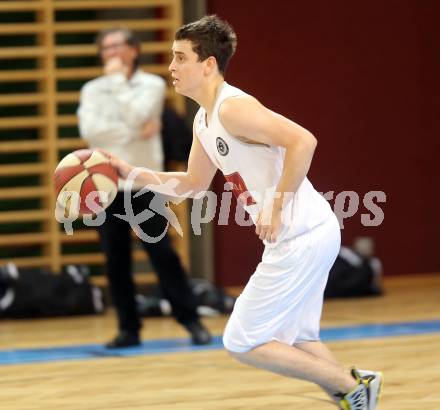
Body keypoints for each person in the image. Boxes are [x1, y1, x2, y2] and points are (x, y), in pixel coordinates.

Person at [104, 16, 383, 409]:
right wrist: (132, 173)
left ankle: (355, 384)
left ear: (208, 65)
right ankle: (358, 398)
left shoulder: (233, 108)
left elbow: (304, 141)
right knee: (299, 339)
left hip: (301, 233)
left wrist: (275, 204)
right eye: (172, 58)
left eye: (180, 58)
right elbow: (193, 184)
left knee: (241, 340)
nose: (171, 67)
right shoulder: (204, 118)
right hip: (305, 233)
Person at [77, 28, 212, 348]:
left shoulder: (151, 85)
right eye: (105, 47)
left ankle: (191, 320)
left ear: (133, 50)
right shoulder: (92, 89)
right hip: (105, 184)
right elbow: (92, 134)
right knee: (115, 259)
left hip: (142, 183)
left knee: (162, 253)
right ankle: (128, 329)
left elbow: (139, 116)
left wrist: (119, 86)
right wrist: (133, 131)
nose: (110, 52)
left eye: (116, 45)